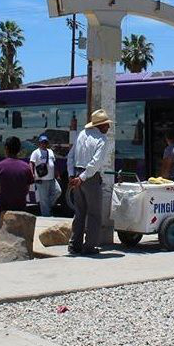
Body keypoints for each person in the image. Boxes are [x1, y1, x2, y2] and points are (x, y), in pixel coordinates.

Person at [68, 109, 113, 255]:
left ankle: (74, 245)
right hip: (89, 178)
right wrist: (82, 178)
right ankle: (89, 246)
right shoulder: (102, 140)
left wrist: (72, 176)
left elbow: (70, 156)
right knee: (94, 214)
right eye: (106, 125)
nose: (108, 127)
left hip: (76, 174)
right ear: (100, 126)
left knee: (79, 212)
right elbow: (96, 163)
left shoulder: (82, 134)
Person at [0, 136, 33, 262]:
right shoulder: (26, 167)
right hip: (20, 205)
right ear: (19, 150)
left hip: (3, 206)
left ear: (6, 149)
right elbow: (27, 188)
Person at [30, 135, 61, 217]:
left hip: (52, 178)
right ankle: (46, 217)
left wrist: (57, 174)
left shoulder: (50, 151)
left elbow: (54, 164)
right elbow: (31, 163)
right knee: (44, 199)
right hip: (41, 179)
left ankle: (47, 207)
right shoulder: (36, 152)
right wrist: (32, 174)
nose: (44, 144)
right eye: (42, 142)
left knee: (58, 191)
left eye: (45, 142)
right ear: (39, 143)